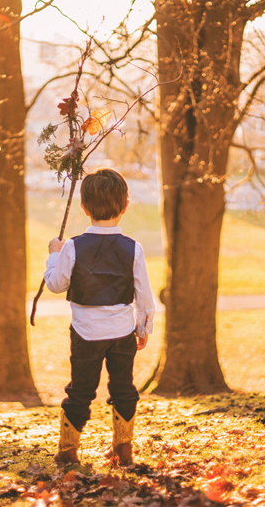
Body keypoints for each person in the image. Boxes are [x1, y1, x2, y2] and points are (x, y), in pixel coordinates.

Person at [44, 167, 155, 466]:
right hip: (122, 332)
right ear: (126, 205)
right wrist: (143, 326)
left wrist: (55, 253)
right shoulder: (133, 248)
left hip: (85, 334)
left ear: (83, 207)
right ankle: (124, 450)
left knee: (80, 390)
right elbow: (143, 293)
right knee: (123, 388)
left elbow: (55, 285)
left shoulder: (73, 247)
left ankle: (68, 452)